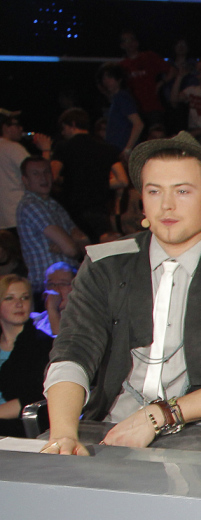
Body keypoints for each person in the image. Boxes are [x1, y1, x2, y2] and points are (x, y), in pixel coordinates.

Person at [41, 132, 201, 456]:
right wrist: (63, 435)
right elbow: (72, 353)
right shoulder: (105, 265)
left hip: (196, 428)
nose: (166, 205)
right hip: (105, 422)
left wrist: (158, 416)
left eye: (182, 191)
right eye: (154, 191)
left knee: (182, 469)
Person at [45, 109, 124, 243]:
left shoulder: (64, 147)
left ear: (73, 124)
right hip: (100, 208)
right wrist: (99, 182)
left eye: (64, 128)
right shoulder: (106, 148)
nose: (63, 133)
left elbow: (51, 176)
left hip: (74, 210)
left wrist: (46, 152)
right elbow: (122, 180)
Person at [16, 158, 87, 293]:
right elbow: (72, 250)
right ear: (25, 180)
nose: (43, 177)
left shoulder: (54, 205)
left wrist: (69, 244)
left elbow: (85, 242)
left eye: (46, 172)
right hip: (48, 287)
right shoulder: (30, 205)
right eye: (36, 173)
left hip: (66, 284)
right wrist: (71, 243)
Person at [0, 275, 54, 437]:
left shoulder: (42, 345)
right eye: (9, 298)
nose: (19, 304)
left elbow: (34, 397)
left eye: (25, 297)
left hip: (19, 424)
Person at [99, 63, 144, 156]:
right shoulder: (116, 98)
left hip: (121, 150)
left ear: (119, 79)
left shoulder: (122, 98)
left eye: (110, 77)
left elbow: (138, 124)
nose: (106, 81)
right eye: (104, 78)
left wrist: (127, 149)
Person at [36, 262, 75, 336]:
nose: (55, 289)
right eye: (50, 284)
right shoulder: (37, 321)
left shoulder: (83, 317)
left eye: (62, 284)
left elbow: (63, 339)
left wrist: (52, 309)